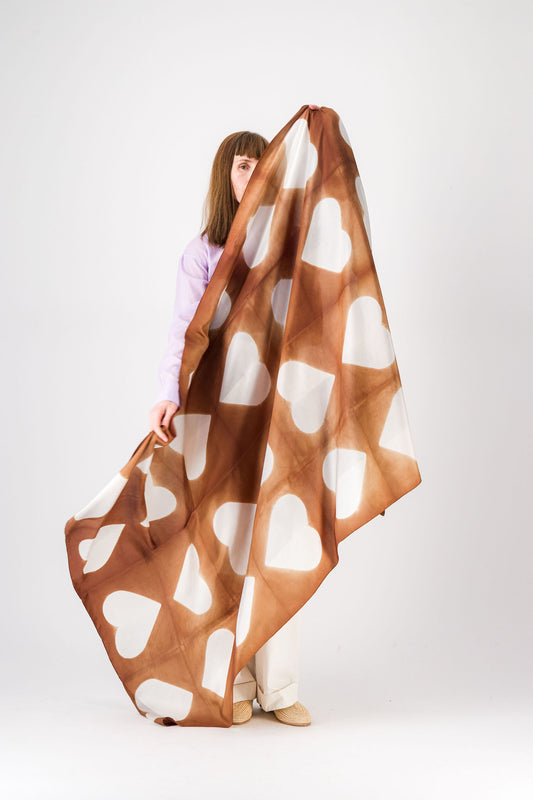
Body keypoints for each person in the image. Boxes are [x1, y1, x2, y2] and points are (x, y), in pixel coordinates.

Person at [148, 128, 312, 727]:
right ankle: (235, 679)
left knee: (281, 540)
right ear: (227, 176)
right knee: (227, 541)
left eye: (262, 164)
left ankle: (281, 688)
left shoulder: (286, 246)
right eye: (244, 165)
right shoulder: (202, 255)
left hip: (277, 414)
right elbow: (182, 331)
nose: (253, 174)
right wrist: (167, 395)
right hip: (219, 413)